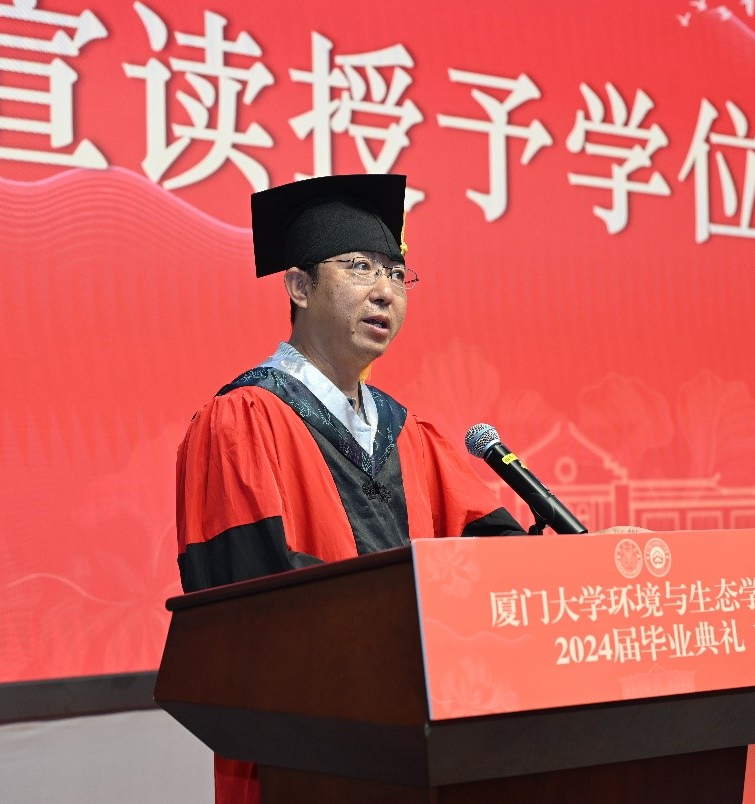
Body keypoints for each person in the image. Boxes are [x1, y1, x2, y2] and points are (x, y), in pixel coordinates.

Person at [174, 173, 525, 804]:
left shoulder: (409, 434)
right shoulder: (242, 421)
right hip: (304, 752)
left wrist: (581, 563)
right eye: (360, 267)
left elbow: (495, 554)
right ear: (299, 286)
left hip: (418, 745)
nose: (384, 291)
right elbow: (254, 609)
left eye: (396, 273)